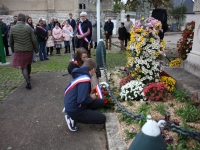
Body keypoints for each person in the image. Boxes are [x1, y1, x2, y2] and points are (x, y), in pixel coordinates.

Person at [64, 58, 106, 131]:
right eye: (95, 70)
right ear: (93, 69)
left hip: (73, 103)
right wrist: (91, 98)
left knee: (101, 102)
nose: (95, 72)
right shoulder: (85, 80)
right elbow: (81, 100)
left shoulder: (81, 73)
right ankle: (72, 118)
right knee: (102, 119)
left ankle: (85, 113)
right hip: (75, 109)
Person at [10, 13, 38, 90]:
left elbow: (11, 42)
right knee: (28, 64)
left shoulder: (13, 28)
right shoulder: (28, 28)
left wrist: (13, 50)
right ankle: (28, 76)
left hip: (18, 51)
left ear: (18, 19)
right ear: (25, 20)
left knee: (23, 67)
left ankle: (28, 82)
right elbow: (34, 40)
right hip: (28, 50)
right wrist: (36, 50)